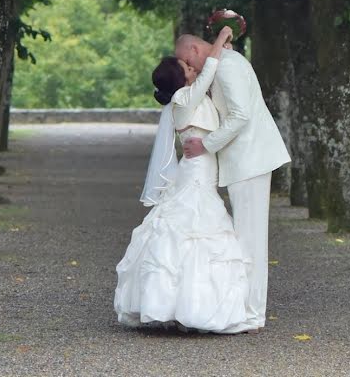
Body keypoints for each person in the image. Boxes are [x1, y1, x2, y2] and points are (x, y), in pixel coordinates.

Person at [114, 26, 252, 333]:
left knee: (189, 230)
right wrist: (220, 37)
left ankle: (183, 304)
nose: (193, 68)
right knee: (196, 229)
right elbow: (211, 68)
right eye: (188, 67)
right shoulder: (185, 99)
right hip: (197, 172)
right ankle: (188, 307)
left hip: (199, 169)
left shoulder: (185, 98)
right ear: (183, 78)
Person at [175, 33, 291, 333]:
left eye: (189, 61)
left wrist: (207, 145)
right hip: (242, 160)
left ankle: (253, 315)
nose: (192, 68)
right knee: (244, 238)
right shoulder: (223, 62)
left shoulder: (227, 66)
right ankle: (245, 309)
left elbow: (240, 115)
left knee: (251, 240)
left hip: (250, 158)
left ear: (195, 48)